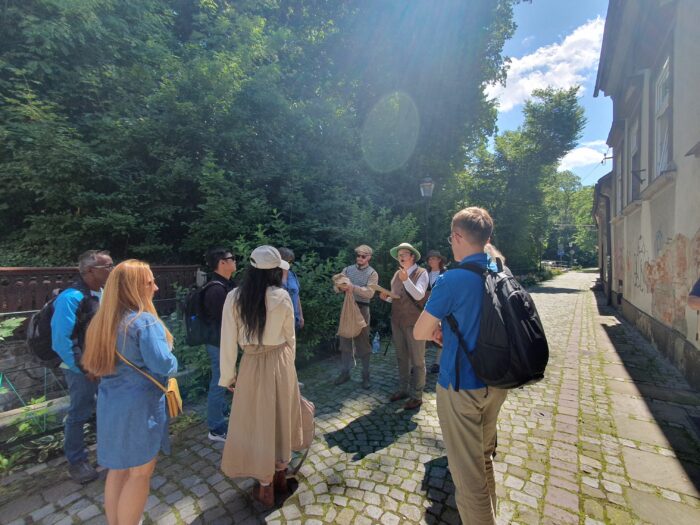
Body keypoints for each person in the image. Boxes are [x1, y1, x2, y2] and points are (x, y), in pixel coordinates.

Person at [414, 207, 507, 525]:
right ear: (487, 239)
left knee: (467, 481)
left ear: (456, 237)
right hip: (497, 382)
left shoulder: (452, 280)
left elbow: (420, 331)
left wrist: (439, 328)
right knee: (483, 458)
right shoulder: (501, 274)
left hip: (461, 386)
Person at [82, 259, 178, 525]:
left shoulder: (101, 322)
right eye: (150, 282)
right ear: (136, 287)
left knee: (117, 471)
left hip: (110, 405)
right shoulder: (143, 322)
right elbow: (164, 364)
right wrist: (172, 357)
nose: (156, 288)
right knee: (139, 474)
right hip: (140, 408)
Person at [219, 245, 305, 507]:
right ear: (276, 271)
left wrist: (228, 376)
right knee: (280, 417)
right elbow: (290, 338)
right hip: (279, 362)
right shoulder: (281, 296)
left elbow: (227, 340)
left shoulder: (234, 297)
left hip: (252, 364)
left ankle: (265, 486)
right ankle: (280, 475)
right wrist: (289, 368)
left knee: (256, 422)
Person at [51, 249, 113, 483]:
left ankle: (107, 451)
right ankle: (76, 462)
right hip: (80, 370)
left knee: (106, 406)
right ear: (89, 271)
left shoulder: (103, 293)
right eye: (106, 266)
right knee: (79, 412)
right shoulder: (71, 297)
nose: (111, 269)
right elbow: (61, 340)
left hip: (102, 364)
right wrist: (84, 368)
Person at [379, 243, 429, 410]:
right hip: (397, 321)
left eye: (404, 253)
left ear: (412, 256)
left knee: (417, 361)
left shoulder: (422, 273)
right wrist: (386, 297)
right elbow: (397, 298)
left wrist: (406, 279)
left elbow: (418, 294)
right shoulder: (396, 274)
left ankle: (417, 396)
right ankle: (403, 390)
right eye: (399, 254)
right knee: (401, 358)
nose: (401, 256)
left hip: (415, 322)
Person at [202, 247, 237, 442]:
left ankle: (222, 411)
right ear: (222, 263)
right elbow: (225, 320)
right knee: (220, 381)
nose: (235, 261)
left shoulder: (226, 284)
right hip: (218, 343)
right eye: (232, 259)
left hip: (222, 341)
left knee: (224, 379)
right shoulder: (216, 289)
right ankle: (215, 427)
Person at [333, 244, 379, 389]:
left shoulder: (372, 273)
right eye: (358, 255)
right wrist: (340, 286)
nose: (360, 258)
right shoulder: (347, 270)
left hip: (362, 309)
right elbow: (336, 287)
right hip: (347, 307)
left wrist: (353, 288)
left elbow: (370, 293)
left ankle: (366, 376)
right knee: (345, 341)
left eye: (363, 256)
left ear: (369, 257)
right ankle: (345, 372)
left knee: (363, 343)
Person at [425, 250, 447, 374]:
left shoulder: (445, 273)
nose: (431, 261)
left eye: (434, 258)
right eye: (429, 259)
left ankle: (437, 363)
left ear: (439, 260)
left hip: (441, 308)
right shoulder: (424, 273)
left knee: (440, 333)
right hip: (425, 308)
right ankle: (419, 362)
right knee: (425, 334)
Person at [279, 248, 304, 331]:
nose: (289, 265)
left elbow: (297, 295)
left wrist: (301, 316)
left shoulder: (292, 275)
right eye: (287, 262)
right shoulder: (272, 276)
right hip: (279, 319)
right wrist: (284, 275)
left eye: (290, 262)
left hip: (294, 317)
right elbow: (281, 292)